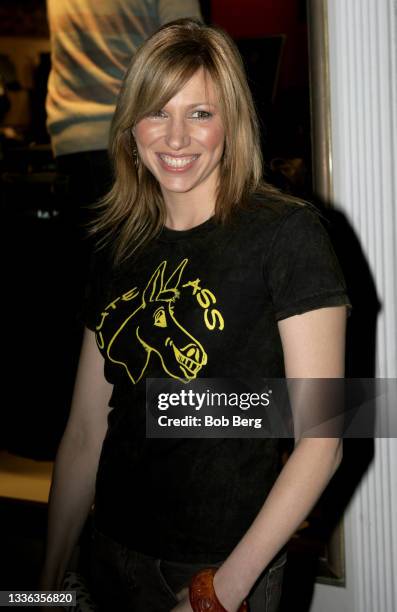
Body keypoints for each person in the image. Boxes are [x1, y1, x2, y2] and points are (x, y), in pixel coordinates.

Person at [41, 19, 350, 611]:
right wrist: (47, 582)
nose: (176, 137)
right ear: (131, 127)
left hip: (221, 567)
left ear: (231, 125)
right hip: (111, 553)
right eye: (158, 112)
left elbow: (324, 439)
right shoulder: (116, 244)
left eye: (200, 114)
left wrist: (217, 594)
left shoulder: (286, 235)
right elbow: (84, 430)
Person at [45, 0, 202, 298]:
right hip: (134, 134)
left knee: (93, 291)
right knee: (146, 286)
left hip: (71, 139)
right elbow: (191, 48)